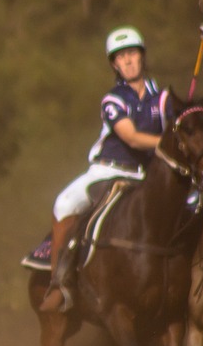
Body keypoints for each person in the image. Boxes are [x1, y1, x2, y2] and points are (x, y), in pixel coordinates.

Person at [38, 26, 165, 313]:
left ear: (142, 57)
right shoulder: (113, 99)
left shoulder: (163, 98)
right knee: (64, 203)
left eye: (133, 53)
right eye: (121, 57)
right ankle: (59, 283)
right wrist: (167, 142)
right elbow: (130, 136)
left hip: (147, 176)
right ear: (115, 65)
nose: (129, 61)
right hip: (107, 172)